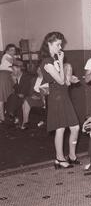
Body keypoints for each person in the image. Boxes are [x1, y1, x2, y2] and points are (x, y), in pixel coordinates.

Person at [40, 31, 80, 169]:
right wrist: (62, 61)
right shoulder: (47, 62)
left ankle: (72, 155)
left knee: (75, 127)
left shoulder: (54, 59)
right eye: (57, 44)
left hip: (64, 95)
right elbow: (60, 80)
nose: (60, 47)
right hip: (56, 97)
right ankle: (59, 157)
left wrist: (71, 79)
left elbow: (63, 80)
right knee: (60, 128)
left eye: (61, 44)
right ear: (49, 44)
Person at [5, 59, 33, 125]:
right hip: (20, 96)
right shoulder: (17, 76)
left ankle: (11, 115)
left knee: (13, 97)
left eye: (13, 69)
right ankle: (11, 115)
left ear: (19, 69)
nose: (12, 71)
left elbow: (22, 93)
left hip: (28, 96)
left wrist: (15, 82)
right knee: (11, 96)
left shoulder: (27, 77)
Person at [20, 65, 47, 130]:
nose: (39, 71)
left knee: (26, 102)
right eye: (38, 70)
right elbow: (30, 91)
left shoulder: (46, 80)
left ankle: (25, 123)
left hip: (43, 99)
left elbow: (46, 93)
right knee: (25, 101)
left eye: (41, 70)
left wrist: (39, 97)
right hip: (33, 97)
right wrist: (32, 95)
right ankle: (25, 122)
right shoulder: (34, 79)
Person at [0, 44, 17, 123]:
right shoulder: (6, 56)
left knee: (8, 95)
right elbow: (14, 63)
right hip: (3, 76)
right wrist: (15, 58)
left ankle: (7, 112)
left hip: (8, 76)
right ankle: (2, 117)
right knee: (2, 97)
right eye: (11, 50)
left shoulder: (11, 56)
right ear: (7, 51)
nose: (13, 52)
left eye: (14, 50)